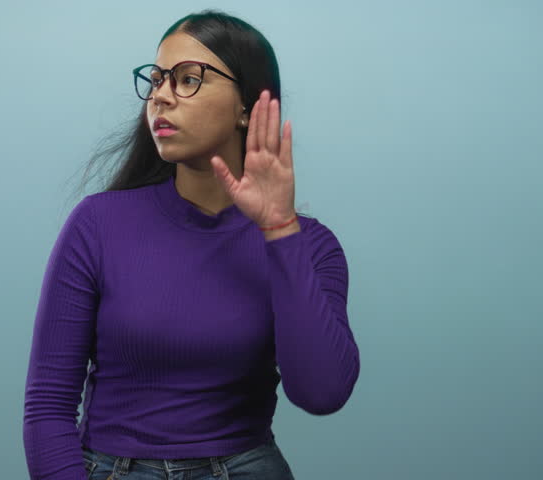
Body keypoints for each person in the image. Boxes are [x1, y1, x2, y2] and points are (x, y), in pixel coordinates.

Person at [23, 9, 360, 480]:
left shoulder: (311, 246)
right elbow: (47, 408)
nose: (161, 95)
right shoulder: (97, 224)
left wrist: (280, 229)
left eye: (188, 79)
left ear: (248, 106)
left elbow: (321, 393)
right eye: (157, 79)